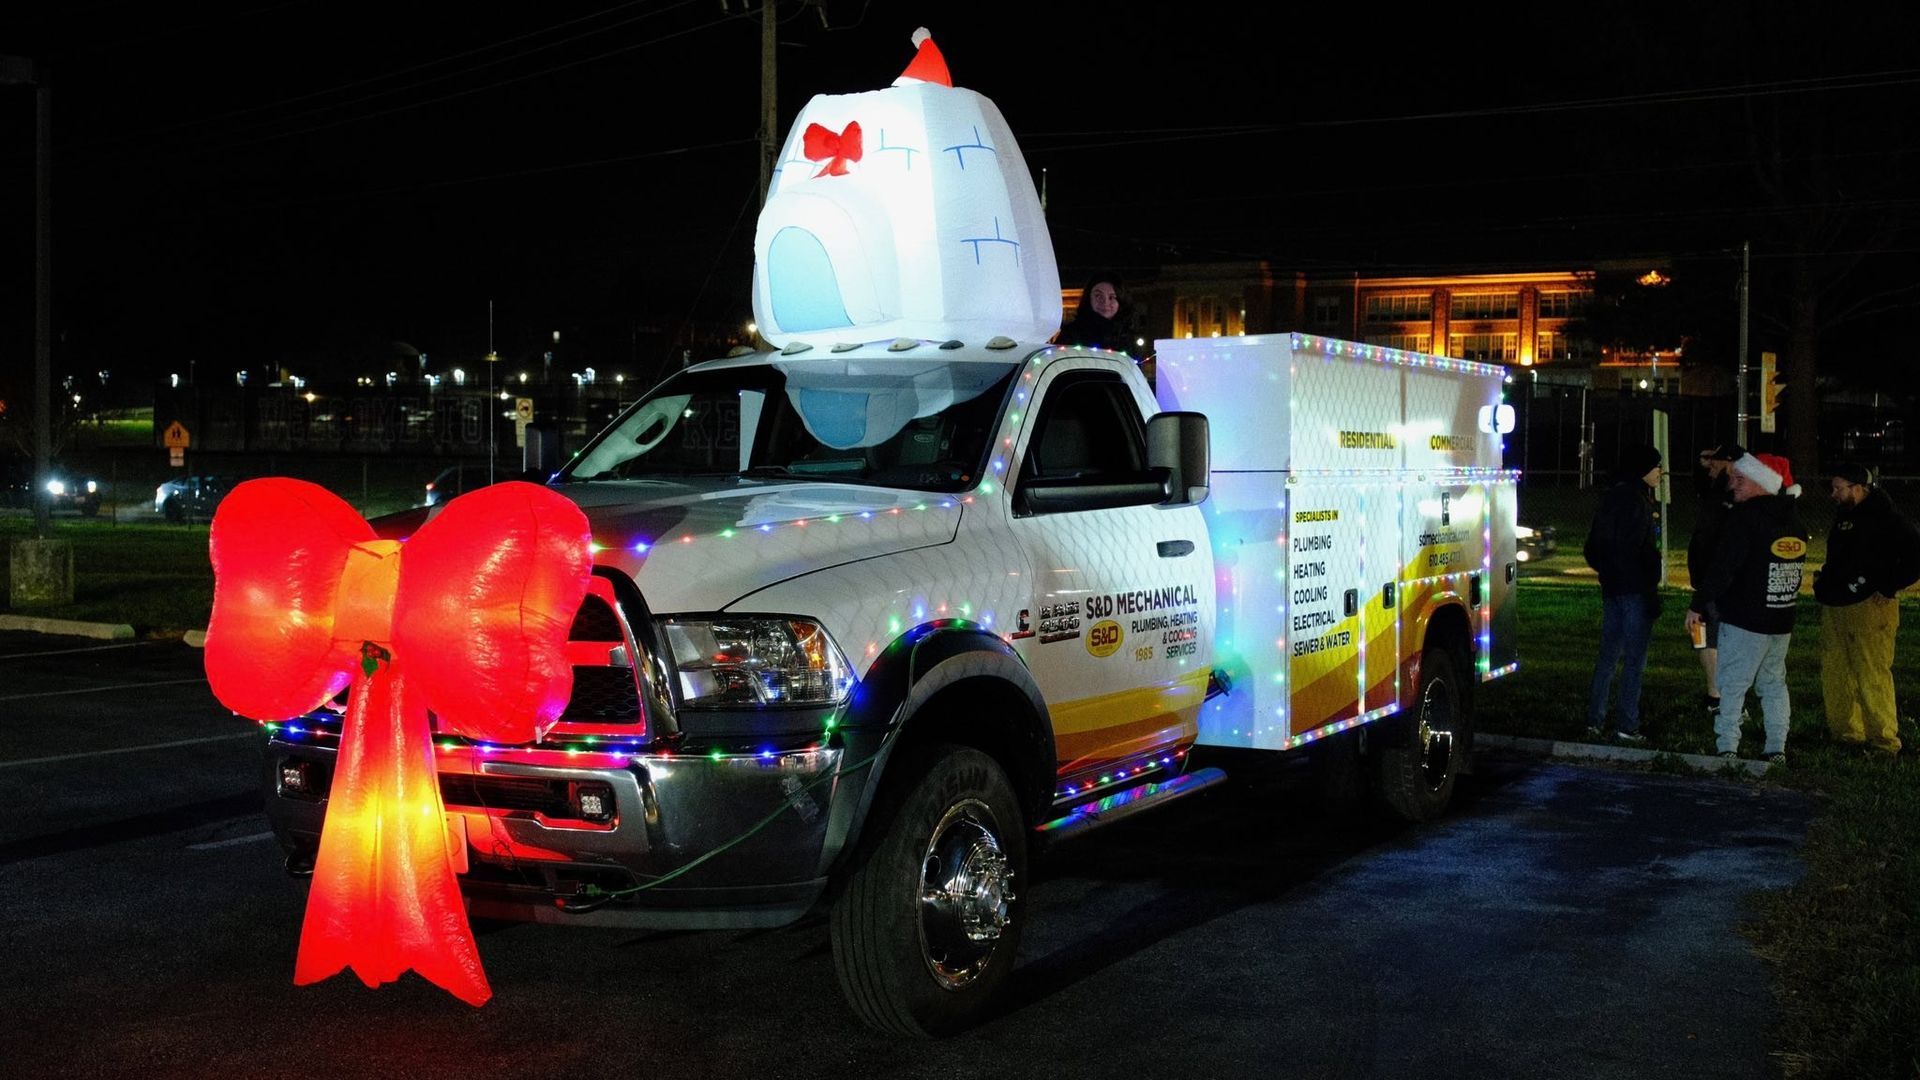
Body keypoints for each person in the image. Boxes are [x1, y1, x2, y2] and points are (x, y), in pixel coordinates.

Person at [1685, 452, 1809, 763]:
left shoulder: (1746, 517)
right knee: (1773, 682)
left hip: (1745, 618)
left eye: (1741, 479)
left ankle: (1727, 747)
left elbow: (1725, 566)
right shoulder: (1793, 518)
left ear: (1761, 482)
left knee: (1732, 684)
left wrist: (1698, 603)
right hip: (1781, 618)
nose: (1733, 485)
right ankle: (1776, 747)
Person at [1814, 462, 1920, 757]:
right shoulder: (1845, 516)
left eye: (1838, 488)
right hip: (1836, 605)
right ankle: (1847, 733)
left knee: (1871, 672)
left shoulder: (1888, 519)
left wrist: (1887, 587)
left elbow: (1914, 558)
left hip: (1870, 609)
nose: (1833, 493)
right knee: (1837, 670)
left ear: (1858, 488)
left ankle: (1884, 742)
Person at [1583, 443, 1665, 743]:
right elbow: (1641, 551)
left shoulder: (1611, 498)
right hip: (1635, 590)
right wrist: (1648, 586)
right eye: (1657, 467)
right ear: (1643, 469)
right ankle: (1626, 724)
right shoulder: (1638, 503)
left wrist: (1607, 571)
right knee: (1634, 660)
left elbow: (1592, 547)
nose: (1661, 472)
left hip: (1613, 588)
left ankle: (1594, 720)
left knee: (1607, 657)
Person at [1686, 442, 1744, 719]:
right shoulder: (1714, 490)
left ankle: (1726, 698)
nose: (1710, 465)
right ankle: (1713, 693)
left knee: (1720, 639)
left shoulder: (1736, 495)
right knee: (1700, 635)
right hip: (1704, 581)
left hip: (1719, 583)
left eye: (1716, 461)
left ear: (1731, 463)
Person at [1057, 273, 1136, 355]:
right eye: (1098, 296)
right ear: (1089, 298)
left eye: (1112, 297)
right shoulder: (1071, 334)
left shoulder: (1126, 337)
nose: (1105, 302)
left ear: (1120, 301)